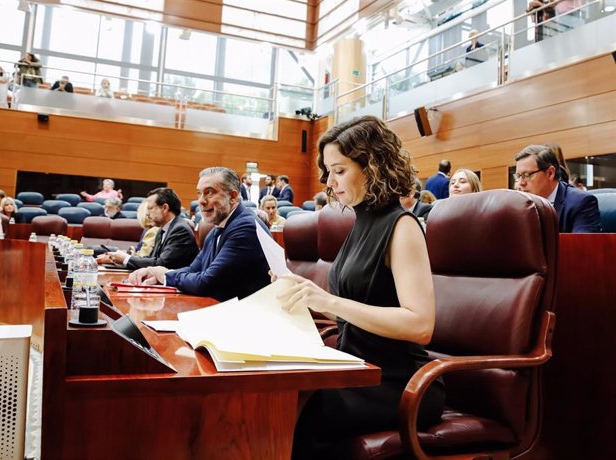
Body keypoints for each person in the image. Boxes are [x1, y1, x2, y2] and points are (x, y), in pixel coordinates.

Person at [276, 116, 444, 458]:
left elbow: (420, 325)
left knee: (301, 405)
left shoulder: (402, 226)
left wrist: (329, 301)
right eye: (328, 172)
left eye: (339, 170)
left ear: (373, 166)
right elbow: (357, 300)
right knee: (281, 388)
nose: (330, 182)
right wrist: (302, 292)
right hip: (358, 369)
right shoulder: (360, 222)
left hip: (401, 382)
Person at [127, 166, 271, 301]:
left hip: (244, 319)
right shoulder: (218, 227)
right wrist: (157, 274)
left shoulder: (245, 228)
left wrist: (165, 275)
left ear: (232, 197)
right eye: (199, 193)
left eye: (210, 192)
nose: (201, 201)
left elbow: (207, 282)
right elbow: (193, 269)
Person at [102, 188, 198, 270]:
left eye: (150, 208)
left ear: (164, 208)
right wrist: (122, 259)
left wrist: (126, 259)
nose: (147, 214)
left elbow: (161, 264)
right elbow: (151, 258)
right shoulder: (163, 229)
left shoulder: (180, 230)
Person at [515, 144, 601, 233]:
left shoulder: (581, 202)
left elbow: (581, 246)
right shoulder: (519, 205)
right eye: (518, 176)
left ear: (550, 173)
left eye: (527, 175)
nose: (521, 183)